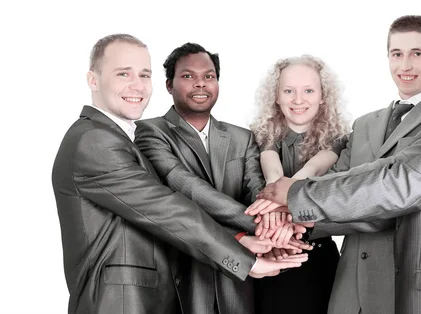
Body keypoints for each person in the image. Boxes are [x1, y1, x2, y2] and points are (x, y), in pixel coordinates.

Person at [249, 16, 421, 314]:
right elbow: (389, 169)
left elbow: (400, 185)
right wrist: (298, 215)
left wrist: (295, 197)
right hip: (384, 290)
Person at [52, 34, 307, 314]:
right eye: (123, 73)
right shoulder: (95, 141)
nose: (137, 85)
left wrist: (258, 232)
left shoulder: (114, 137)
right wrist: (247, 255)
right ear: (94, 80)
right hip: (120, 302)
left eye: (144, 75)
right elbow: (167, 209)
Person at [135, 42, 309, 314]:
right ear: (169, 84)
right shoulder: (150, 132)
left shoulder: (242, 137)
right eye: (188, 76)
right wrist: (267, 225)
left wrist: (273, 218)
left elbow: (257, 190)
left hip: (239, 283)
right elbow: (185, 187)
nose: (200, 84)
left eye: (209, 76)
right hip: (183, 278)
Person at [322, 15, 421, 314]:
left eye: (416, 54)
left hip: (402, 288)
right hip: (348, 288)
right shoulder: (365, 123)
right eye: (397, 54)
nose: (404, 65)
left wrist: (296, 223)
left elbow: (388, 206)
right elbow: (332, 185)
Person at [249, 55, 348, 314]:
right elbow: (272, 173)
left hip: (314, 252)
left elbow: (308, 172)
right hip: (270, 251)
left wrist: (279, 208)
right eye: (289, 91)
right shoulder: (259, 134)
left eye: (308, 90)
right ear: (276, 96)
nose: (298, 99)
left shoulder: (340, 138)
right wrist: (276, 209)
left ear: (323, 96)